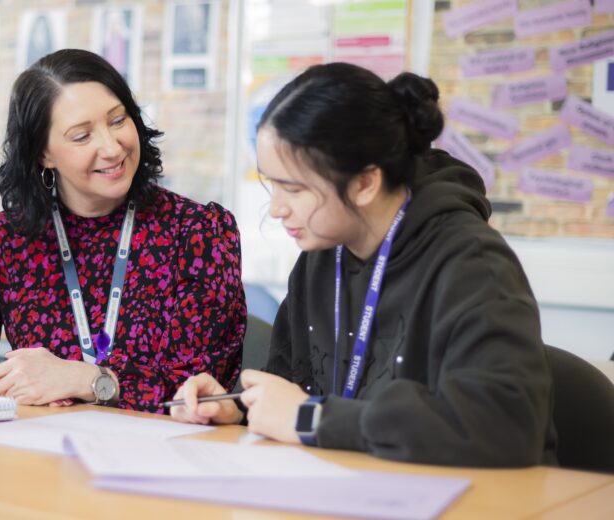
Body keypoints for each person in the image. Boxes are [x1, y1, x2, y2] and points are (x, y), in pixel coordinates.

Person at [170, 62, 556, 467]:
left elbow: (505, 427)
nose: (278, 208)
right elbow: (292, 390)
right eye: (272, 184)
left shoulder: (471, 262)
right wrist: (237, 407)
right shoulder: (320, 257)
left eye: (294, 188)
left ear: (365, 183)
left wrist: (312, 419)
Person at [0, 49, 246, 412]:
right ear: (43, 154)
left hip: (166, 457)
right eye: (82, 136)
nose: (112, 147)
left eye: (118, 120)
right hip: (46, 458)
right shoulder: (8, 240)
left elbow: (201, 390)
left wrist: (84, 380)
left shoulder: (199, 235)